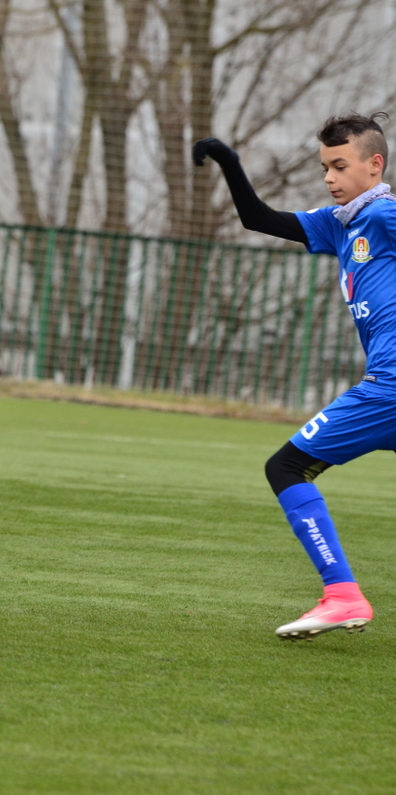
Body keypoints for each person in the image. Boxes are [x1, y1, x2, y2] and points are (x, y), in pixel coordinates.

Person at [193, 112, 396, 640]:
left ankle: (342, 595)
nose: (329, 178)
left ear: (375, 166)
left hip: (391, 388)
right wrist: (229, 162)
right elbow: (257, 218)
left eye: (340, 166)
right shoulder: (340, 223)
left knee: (286, 467)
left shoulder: (384, 216)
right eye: (325, 167)